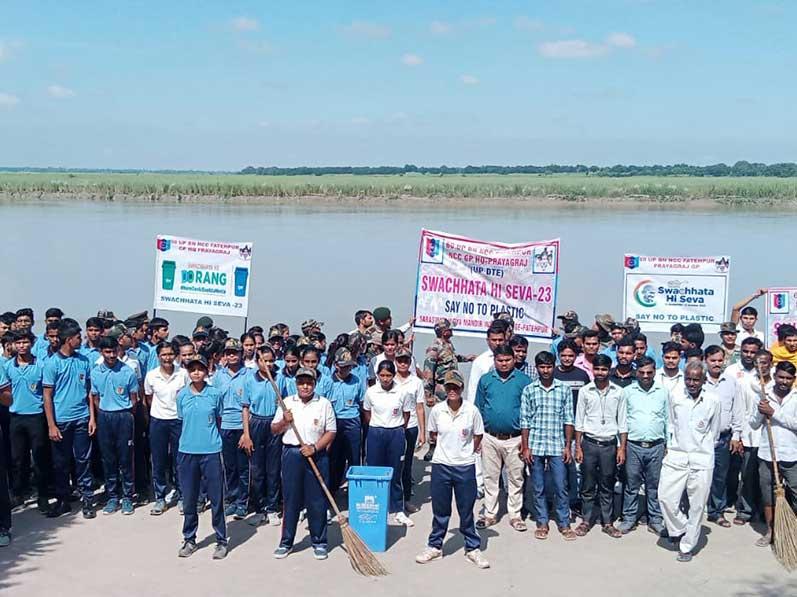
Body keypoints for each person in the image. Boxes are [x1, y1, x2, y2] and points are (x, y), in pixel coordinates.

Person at [415, 370, 489, 569]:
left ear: (462, 388)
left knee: (466, 511)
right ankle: (435, 546)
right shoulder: (438, 410)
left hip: (464, 467)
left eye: (456, 387)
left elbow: (478, 436)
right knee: (441, 510)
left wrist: (465, 453)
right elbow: (433, 435)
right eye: (449, 387)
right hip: (441, 466)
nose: (452, 391)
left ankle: (472, 547)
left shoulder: (472, 411)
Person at [658, 362, 722, 562]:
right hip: (677, 455)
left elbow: (715, 432)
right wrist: (671, 445)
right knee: (665, 498)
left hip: (702, 458)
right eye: (688, 379)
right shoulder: (675, 395)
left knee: (697, 505)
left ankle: (687, 546)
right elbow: (671, 422)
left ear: (704, 380)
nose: (691, 383)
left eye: (696, 379)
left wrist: (702, 449)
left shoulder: (713, 400)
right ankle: (681, 528)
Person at [272, 367, 336, 560]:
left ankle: (319, 541)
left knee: (317, 499)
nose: (305, 386)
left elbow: (331, 431)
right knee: (291, 499)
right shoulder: (287, 403)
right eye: (301, 382)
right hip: (292, 454)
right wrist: (284, 421)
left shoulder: (323, 403)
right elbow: (274, 429)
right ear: (296, 384)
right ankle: (286, 542)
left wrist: (315, 448)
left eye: (309, 382)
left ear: (315, 384)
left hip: (316, 454)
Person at [520, 351, 577, 541]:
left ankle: (564, 523)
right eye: (542, 367)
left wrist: (568, 446)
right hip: (535, 445)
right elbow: (525, 421)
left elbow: (569, 419)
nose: (546, 370)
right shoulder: (529, 390)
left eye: (549, 366)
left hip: (557, 445)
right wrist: (526, 447)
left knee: (561, 486)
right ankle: (542, 522)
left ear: (554, 366)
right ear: (537, 368)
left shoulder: (564, 389)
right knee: (538, 487)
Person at [42, 319, 96, 519]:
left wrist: (92, 417)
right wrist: (51, 425)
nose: (80, 340)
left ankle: (88, 499)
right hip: (61, 421)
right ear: (67, 339)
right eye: (77, 337)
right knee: (61, 463)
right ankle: (63, 500)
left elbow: (89, 391)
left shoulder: (83, 360)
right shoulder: (52, 363)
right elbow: (47, 395)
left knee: (84, 460)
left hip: (82, 418)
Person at [176, 355, 227, 560]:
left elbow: (219, 418)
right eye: (192, 369)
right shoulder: (182, 395)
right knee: (189, 498)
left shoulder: (215, 394)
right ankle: (189, 539)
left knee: (216, 498)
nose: (196, 372)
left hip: (211, 451)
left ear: (207, 371)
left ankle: (221, 540)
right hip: (187, 451)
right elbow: (181, 418)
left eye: (200, 369)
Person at [474, 344, 529, 532]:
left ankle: (515, 515)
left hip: (515, 439)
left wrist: (525, 440)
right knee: (490, 477)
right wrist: (479, 438)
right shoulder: (486, 380)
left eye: (507, 360)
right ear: (495, 361)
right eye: (500, 360)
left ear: (514, 360)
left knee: (516, 478)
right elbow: (478, 409)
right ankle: (490, 513)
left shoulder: (524, 381)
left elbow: (529, 412)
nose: (504, 364)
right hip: (490, 437)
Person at [574, 354, 627, 538]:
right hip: (589, 443)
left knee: (607, 484)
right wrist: (578, 447)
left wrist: (622, 448)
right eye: (597, 369)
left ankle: (607, 522)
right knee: (587, 485)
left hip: (609, 445)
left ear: (609, 370)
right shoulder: (585, 391)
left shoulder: (619, 392)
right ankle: (586, 520)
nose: (600, 373)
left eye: (604, 369)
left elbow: (623, 422)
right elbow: (579, 420)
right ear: (593, 370)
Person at [0, 332, 51, 512]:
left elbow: (46, 393)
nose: (22, 346)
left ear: (31, 343)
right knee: (17, 459)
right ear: (13, 345)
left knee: (39, 458)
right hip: (15, 417)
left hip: (36, 417)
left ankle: (43, 496)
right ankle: (18, 494)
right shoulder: (7, 366)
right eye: (18, 342)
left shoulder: (41, 365)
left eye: (25, 342)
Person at [617, 356, 668, 535]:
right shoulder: (628, 392)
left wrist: (667, 445)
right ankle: (629, 518)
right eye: (642, 372)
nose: (646, 376)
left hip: (656, 446)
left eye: (649, 372)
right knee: (631, 484)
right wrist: (620, 446)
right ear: (636, 372)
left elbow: (667, 420)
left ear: (655, 372)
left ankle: (655, 519)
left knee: (654, 485)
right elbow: (622, 420)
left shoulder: (663, 392)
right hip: (633, 445)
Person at [750, 361, 797, 547]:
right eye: (781, 377)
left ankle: (791, 528)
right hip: (767, 453)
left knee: (795, 492)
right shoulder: (764, 395)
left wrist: (773, 412)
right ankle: (770, 530)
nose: (784, 381)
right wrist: (762, 412)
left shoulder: (796, 397)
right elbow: (753, 424)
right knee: (767, 494)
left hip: (791, 454)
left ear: (793, 379)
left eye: (788, 378)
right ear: (775, 376)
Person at [90, 336, 139, 515]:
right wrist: (104, 411)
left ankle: (127, 496)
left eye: (114, 351)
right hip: (105, 417)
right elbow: (95, 398)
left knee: (125, 458)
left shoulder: (128, 372)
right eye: (107, 352)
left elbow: (134, 400)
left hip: (124, 417)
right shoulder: (96, 372)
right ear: (101, 352)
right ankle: (112, 496)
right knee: (108, 458)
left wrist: (123, 413)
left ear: (119, 350)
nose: (111, 355)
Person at [363, 360, 414, 526]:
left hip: (396, 432)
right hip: (376, 432)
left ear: (393, 375)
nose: (385, 379)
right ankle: (376, 505)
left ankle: (398, 509)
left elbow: (406, 414)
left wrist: (396, 427)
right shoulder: (371, 392)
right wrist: (378, 426)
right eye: (382, 375)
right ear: (377, 375)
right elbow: (367, 412)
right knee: (375, 470)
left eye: (389, 375)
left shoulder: (402, 392)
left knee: (395, 471)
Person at [144, 341, 189, 515]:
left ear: (175, 355)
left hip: (178, 421)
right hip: (158, 421)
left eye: (170, 354)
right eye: (164, 355)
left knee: (180, 459)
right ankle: (160, 498)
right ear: (158, 356)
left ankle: (182, 495)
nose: (167, 358)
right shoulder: (151, 375)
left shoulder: (183, 374)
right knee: (158, 460)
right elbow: (148, 398)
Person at [421, 319, 475, 462]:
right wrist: (428, 395)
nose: (452, 331)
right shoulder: (434, 347)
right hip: (440, 387)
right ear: (444, 331)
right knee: (439, 418)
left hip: (452, 386)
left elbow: (452, 359)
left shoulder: (448, 345)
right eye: (450, 329)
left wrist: (466, 358)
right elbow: (428, 372)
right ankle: (432, 446)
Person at [703, 346, 744, 526]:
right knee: (699, 475)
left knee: (720, 476)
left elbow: (738, 410)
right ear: (706, 360)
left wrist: (736, 435)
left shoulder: (731, 382)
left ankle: (716, 511)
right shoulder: (698, 380)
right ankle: (693, 510)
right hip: (702, 438)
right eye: (713, 360)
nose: (717, 364)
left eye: (720, 360)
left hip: (723, 437)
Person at [242, 346, 283, 527]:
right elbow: (245, 408)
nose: (267, 364)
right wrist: (246, 434)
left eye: (270, 360)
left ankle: (273, 508)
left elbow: (286, 403)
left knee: (273, 469)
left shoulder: (279, 379)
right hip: (256, 423)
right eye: (263, 360)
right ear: (258, 362)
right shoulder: (250, 380)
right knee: (257, 470)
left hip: (274, 423)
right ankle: (260, 509)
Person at [214, 339, 251, 520]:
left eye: (235, 352)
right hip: (224, 425)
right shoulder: (218, 376)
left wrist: (246, 432)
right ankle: (232, 499)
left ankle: (243, 502)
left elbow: (250, 404)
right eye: (228, 352)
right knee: (229, 466)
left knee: (243, 466)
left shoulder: (248, 375)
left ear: (241, 354)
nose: (231, 355)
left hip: (242, 426)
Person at [733, 349, 771, 526]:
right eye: (757, 363)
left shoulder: (776, 385)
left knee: (767, 479)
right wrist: (738, 434)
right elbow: (740, 410)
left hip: (771, 439)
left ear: (770, 364)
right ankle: (745, 511)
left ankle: (765, 512)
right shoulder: (745, 383)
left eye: (764, 363)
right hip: (750, 435)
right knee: (748, 476)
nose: (760, 366)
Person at [326, 347, 364, 496]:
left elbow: (361, 402)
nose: (346, 369)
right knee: (334, 458)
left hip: (352, 421)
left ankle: (356, 490)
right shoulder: (329, 382)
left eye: (349, 366)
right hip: (334, 421)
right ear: (336, 365)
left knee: (354, 456)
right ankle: (333, 489)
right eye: (343, 366)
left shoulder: (356, 381)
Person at [394, 346, 425, 513]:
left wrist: (422, 432)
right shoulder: (388, 379)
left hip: (410, 427)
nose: (403, 363)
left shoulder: (416, 382)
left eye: (406, 360)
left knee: (406, 465)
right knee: (392, 465)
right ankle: (391, 500)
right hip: (392, 427)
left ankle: (406, 500)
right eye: (400, 360)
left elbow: (420, 407)